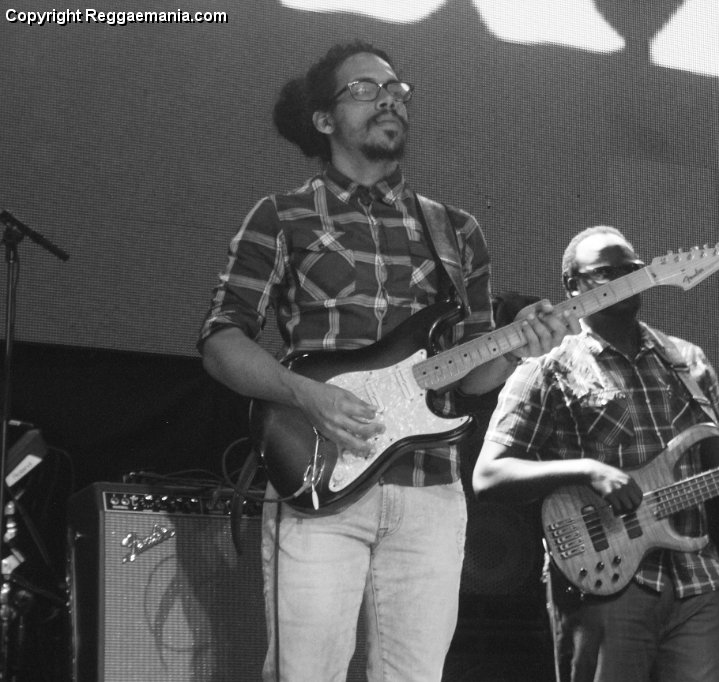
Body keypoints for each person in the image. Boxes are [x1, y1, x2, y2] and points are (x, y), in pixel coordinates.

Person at [197, 41, 578, 682]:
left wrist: (518, 346)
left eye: (397, 89)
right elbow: (220, 340)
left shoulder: (456, 230)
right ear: (324, 119)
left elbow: (472, 377)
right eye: (366, 89)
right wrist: (304, 392)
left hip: (430, 492)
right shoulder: (282, 216)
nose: (389, 99)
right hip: (317, 477)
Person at [472, 225, 719, 682]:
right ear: (572, 285)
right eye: (605, 272)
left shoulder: (687, 360)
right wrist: (589, 471)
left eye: (631, 269)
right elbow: (489, 475)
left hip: (697, 578)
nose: (624, 279)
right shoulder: (546, 365)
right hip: (605, 578)